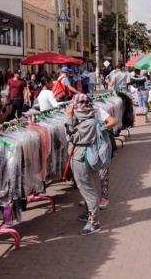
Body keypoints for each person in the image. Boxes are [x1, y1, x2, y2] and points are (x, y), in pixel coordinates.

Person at [65, 93, 101, 235]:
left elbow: (71, 136)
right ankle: (89, 214)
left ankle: (94, 223)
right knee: (89, 187)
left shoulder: (88, 123)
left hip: (82, 159)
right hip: (84, 157)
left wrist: (68, 118)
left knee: (87, 189)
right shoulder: (87, 119)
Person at [94, 103, 117, 210]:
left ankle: (104, 198)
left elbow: (113, 121)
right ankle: (90, 198)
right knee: (88, 175)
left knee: (103, 173)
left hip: (100, 147)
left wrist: (102, 127)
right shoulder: (75, 112)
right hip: (86, 149)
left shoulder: (97, 110)